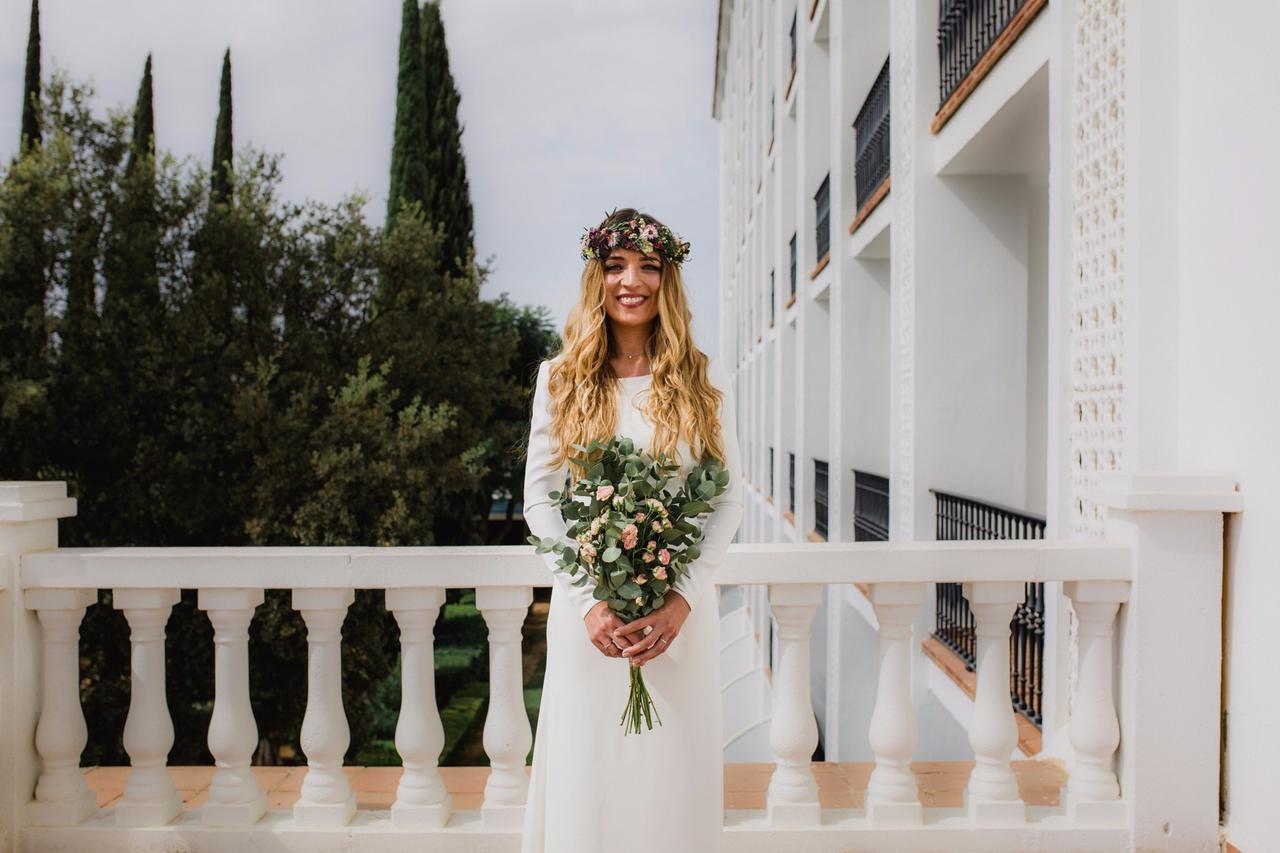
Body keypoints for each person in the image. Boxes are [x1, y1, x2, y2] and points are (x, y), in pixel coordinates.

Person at [519, 208, 744, 852]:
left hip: (676, 628)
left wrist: (682, 601)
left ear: (666, 278)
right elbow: (540, 501)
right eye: (615, 265)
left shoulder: (704, 377)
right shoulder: (560, 380)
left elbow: (726, 500)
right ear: (597, 276)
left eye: (647, 265)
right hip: (590, 626)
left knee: (672, 788)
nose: (631, 281)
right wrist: (587, 601)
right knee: (591, 786)